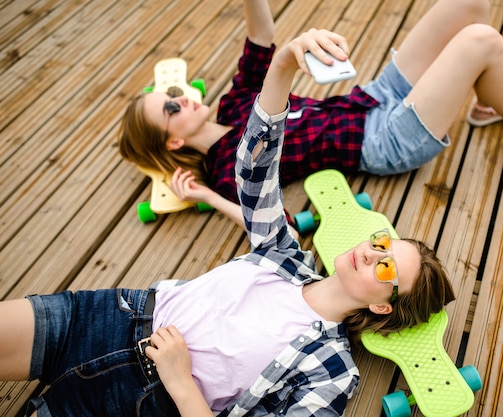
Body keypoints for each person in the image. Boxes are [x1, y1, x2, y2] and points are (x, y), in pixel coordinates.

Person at [0, 27, 456, 416]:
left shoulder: (332, 373)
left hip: (140, 401)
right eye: (381, 243)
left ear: (382, 306)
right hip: (110, 316)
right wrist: (283, 64)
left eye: (385, 266)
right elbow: (255, 173)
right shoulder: (285, 255)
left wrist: (181, 383)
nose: (372, 252)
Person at [118, 0, 503, 230]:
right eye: (171, 108)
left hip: (369, 98)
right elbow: (262, 220)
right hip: (384, 142)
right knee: (482, 41)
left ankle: (487, 98)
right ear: (173, 142)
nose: (182, 99)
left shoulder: (233, 102)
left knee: (470, 5)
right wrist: (203, 194)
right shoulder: (227, 170)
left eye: (173, 94)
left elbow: (261, 35)